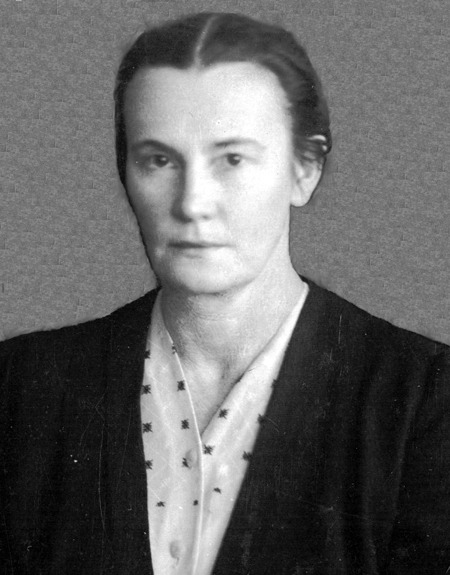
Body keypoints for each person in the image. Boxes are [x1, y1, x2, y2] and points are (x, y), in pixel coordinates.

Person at [1, 11, 449, 575]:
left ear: (305, 170)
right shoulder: (20, 387)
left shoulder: (424, 399)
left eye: (232, 159)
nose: (192, 202)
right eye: (159, 160)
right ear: (125, 172)